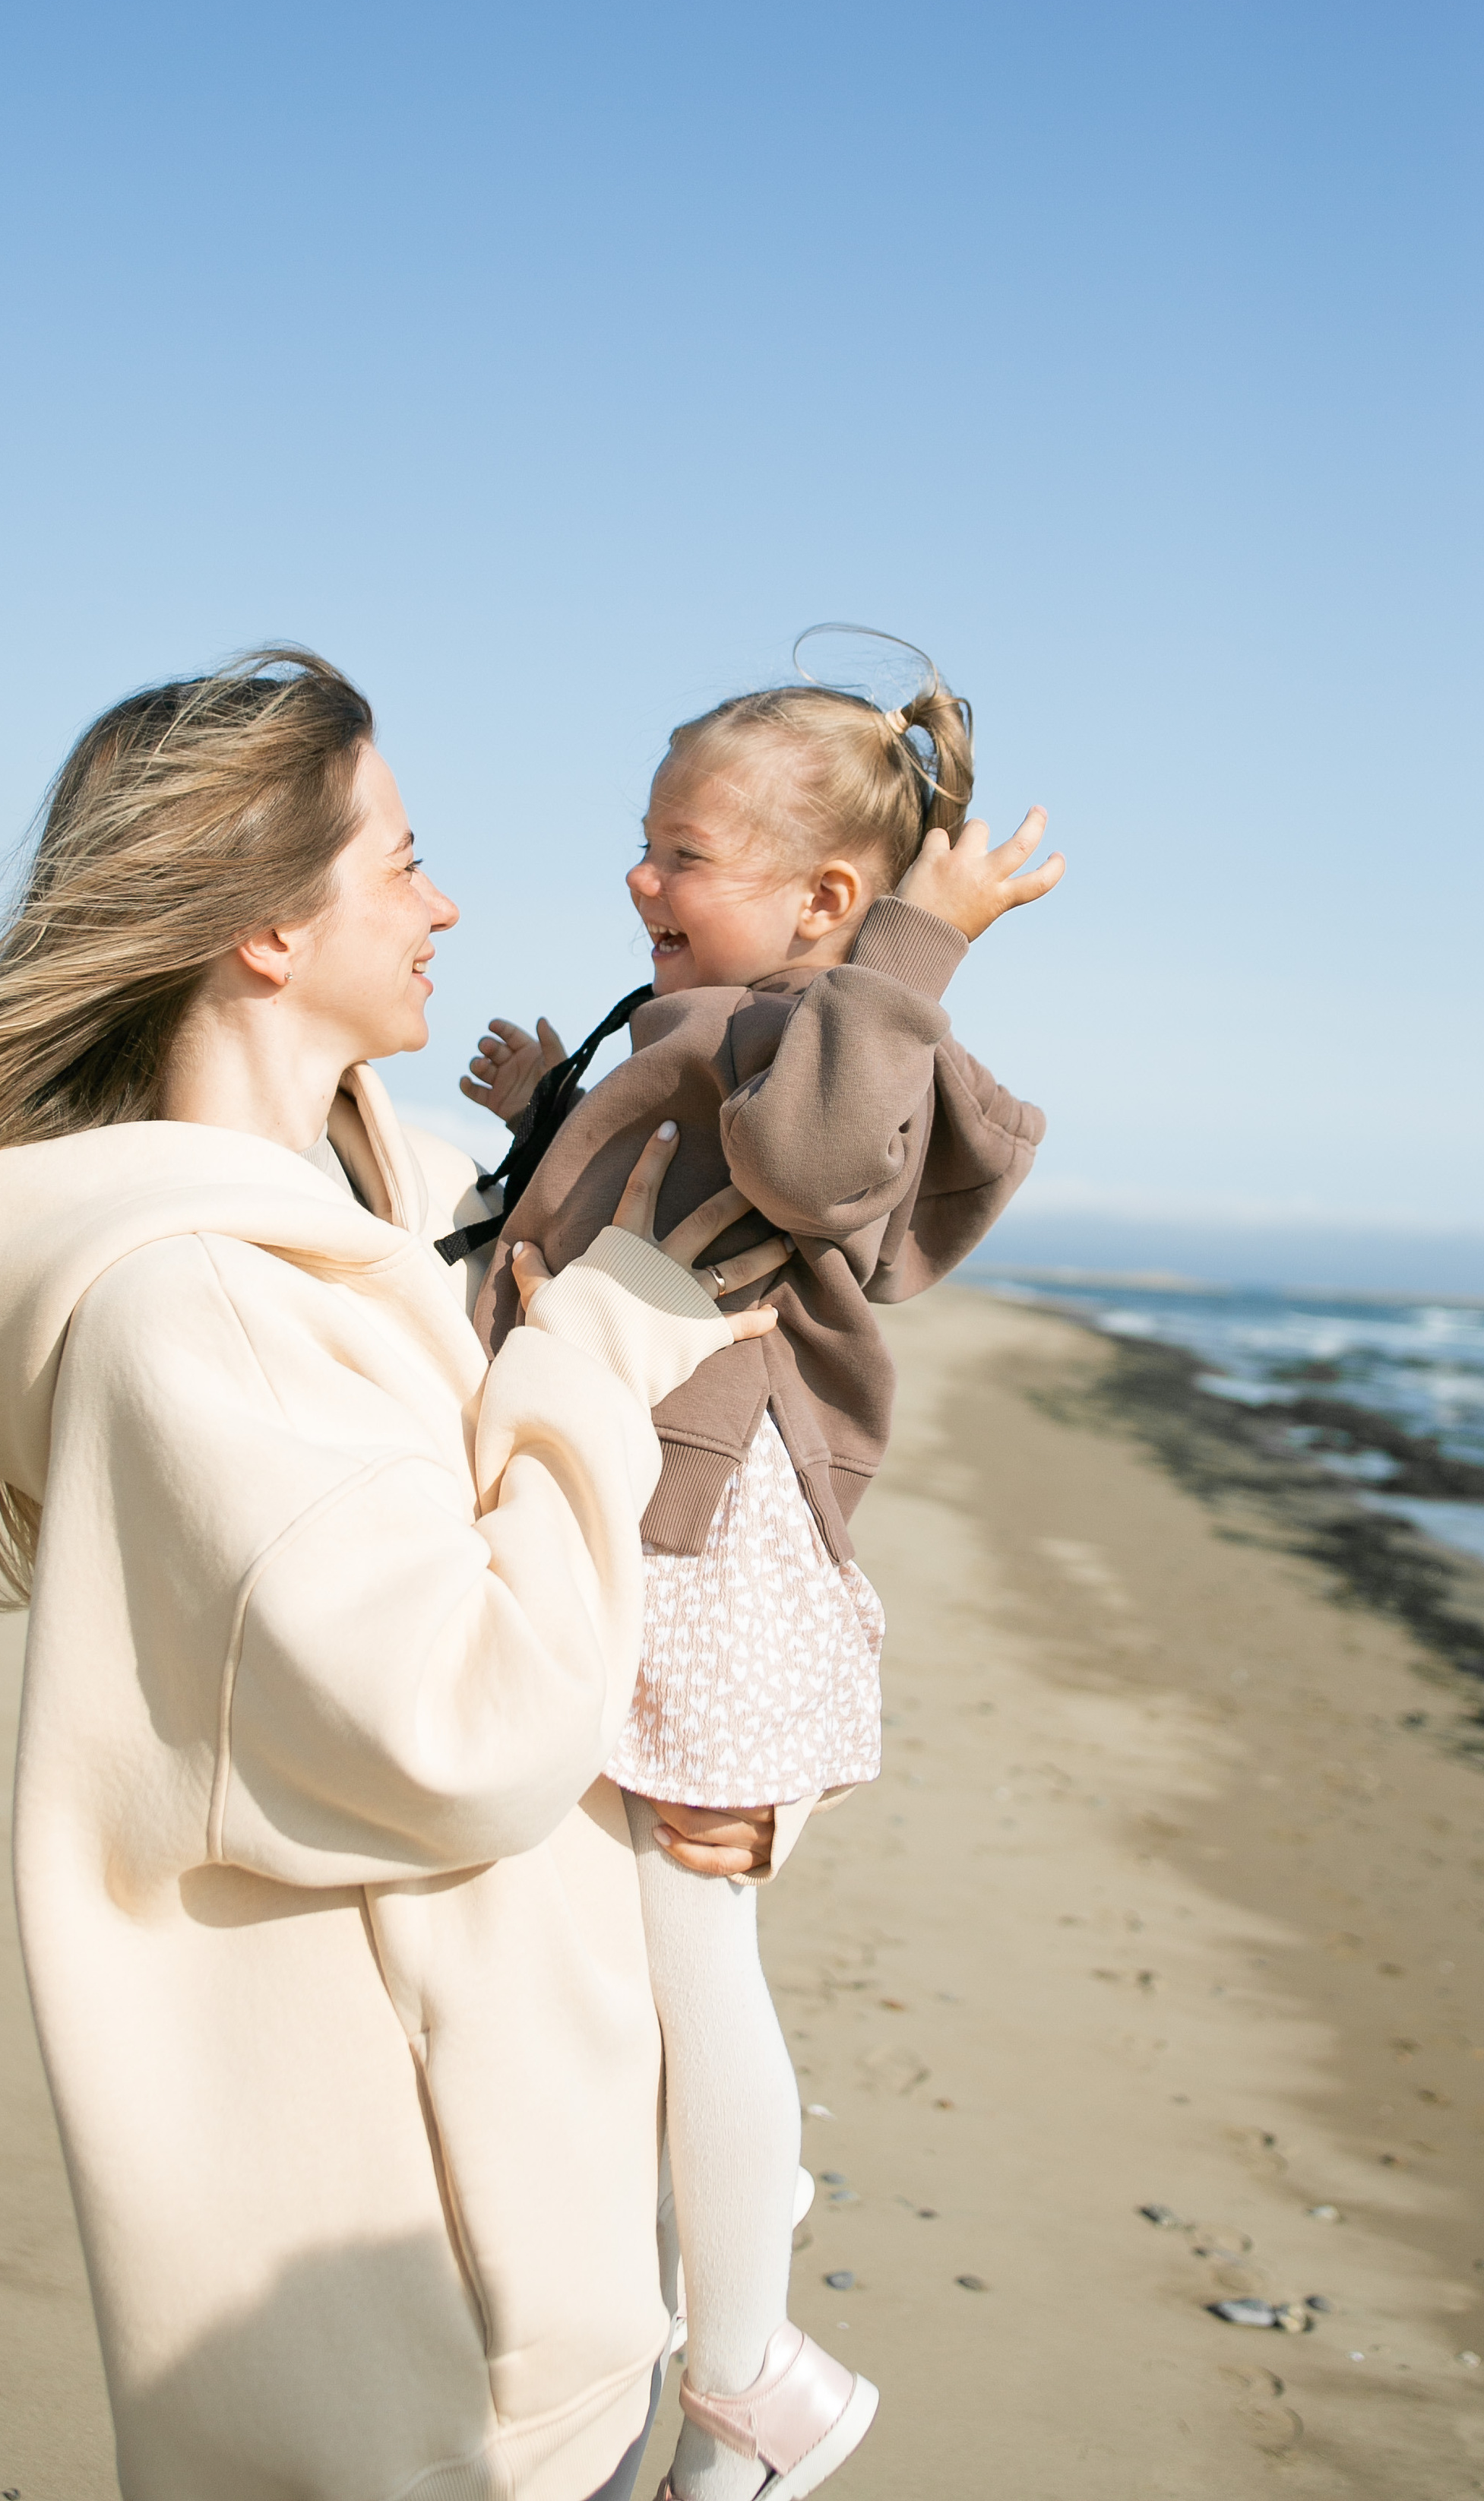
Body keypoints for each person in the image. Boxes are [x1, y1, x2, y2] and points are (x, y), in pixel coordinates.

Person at [0, 647, 787, 2501]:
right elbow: (464, 1728)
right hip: (427, 2348)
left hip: (541, 2239)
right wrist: (609, 1339)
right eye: (403, 859)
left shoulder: (389, 1199)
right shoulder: (198, 1308)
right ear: (269, 929)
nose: (446, 903)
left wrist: (718, 1785)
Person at [461, 638, 1058, 2501]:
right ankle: (716, 2360)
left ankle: (750, 2378)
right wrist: (527, 1124)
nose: (641, 881)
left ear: (818, 902)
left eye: (682, 853)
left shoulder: (846, 1046)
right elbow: (647, 1213)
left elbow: (803, 1175)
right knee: (631, 1972)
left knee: (686, 1947)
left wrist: (912, 953)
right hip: (644, 1516)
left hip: (710, 1543)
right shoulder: (710, 1032)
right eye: (643, 845)